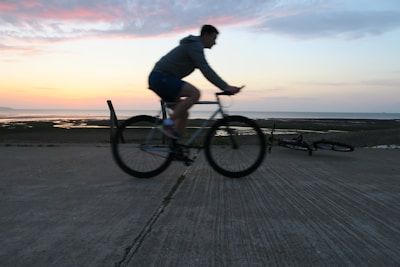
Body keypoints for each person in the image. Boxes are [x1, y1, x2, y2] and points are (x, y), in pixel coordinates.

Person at [148, 24, 242, 139]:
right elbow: (206, 69)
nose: (215, 42)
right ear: (205, 35)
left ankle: (177, 149)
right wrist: (225, 87)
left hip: (161, 79)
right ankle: (167, 124)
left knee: (183, 114)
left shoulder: (194, 46)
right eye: (214, 38)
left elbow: (205, 70)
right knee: (195, 93)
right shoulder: (195, 46)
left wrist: (225, 87)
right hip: (161, 78)